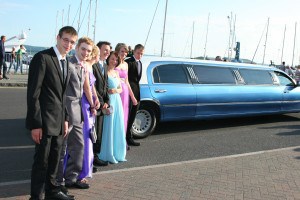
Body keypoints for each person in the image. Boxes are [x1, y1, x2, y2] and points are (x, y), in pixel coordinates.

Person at [26, 26, 77, 200]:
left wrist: (66, 119)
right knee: (41, 162)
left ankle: (52, 192)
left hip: (59, 121)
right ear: (58, 37)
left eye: (72, 42)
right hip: (44, 122)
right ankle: (36, 196)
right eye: (66, 40)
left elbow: (62, 95)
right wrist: (35, 124)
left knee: (55, 159)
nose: (68, 44)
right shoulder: (42, 58)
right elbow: (33, 94)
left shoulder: (66, 62)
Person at [56, 37, 96, 190]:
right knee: (62, 148)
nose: (86, 52)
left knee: (79, 146)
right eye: (83, 49)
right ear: (77, 48)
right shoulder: (68, 63)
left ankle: (71, 178)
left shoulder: (84, 65)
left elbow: (86, 87)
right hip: (66, 111)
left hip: (79, 111)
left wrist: (92, 104)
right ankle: (59, 182)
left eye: (89, 50)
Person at [98, 51, 127, 163]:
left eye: (116, 60)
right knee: (109, 127)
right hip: (109, 101)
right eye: (112, 59)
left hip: (117, 101)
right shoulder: (104, 70)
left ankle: (117, 152)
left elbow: (120, 88)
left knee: (117, 126)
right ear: (108, 59)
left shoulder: (116, 72)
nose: (114, 61)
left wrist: (115, 90)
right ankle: (107, 152)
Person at [78, 44, 100, 180]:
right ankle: (81, 171)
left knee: (88, 137)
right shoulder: (86, 66)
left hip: (89, 102)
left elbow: (92, 87)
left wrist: (96, 99)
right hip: (85, 104)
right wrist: (92, 105)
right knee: (85, 137)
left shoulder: (89, 66)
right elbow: (86, 87)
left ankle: (86, 168)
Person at [92, 41, 111, 170]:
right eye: (105, 50)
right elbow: (93, 87)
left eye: (109, 50)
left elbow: (106, 85)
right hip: (94, 104)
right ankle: (90, 160)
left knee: (99, 133)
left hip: (102, 105)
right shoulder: (93, 66)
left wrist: (107, 101)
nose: (107, 52)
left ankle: (95, 156)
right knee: (92, 134)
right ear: (98, 50)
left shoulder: (104, 65)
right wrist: (101, 101)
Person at [114, 43, 137, 139]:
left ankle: (121, 140)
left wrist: (133, 97)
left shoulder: (126, 64)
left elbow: (127, 82)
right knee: (116, 117)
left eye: (126, 52)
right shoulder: (113, 62)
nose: (124, 53)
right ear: (117, 52)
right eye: (122, 51)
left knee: (124, 116)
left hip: (125, 92)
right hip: (116, 91)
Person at [125, 44, 145, 146]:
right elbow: (125, 80)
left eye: (142, 54)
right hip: (128, 93)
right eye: (138, 53)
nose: (140, 55)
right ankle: (126, 138)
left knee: (132, 116)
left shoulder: (140, 63)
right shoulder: (128, 62)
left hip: (137, 93)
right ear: (134, 52)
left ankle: (129, 137)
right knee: (127, 117)